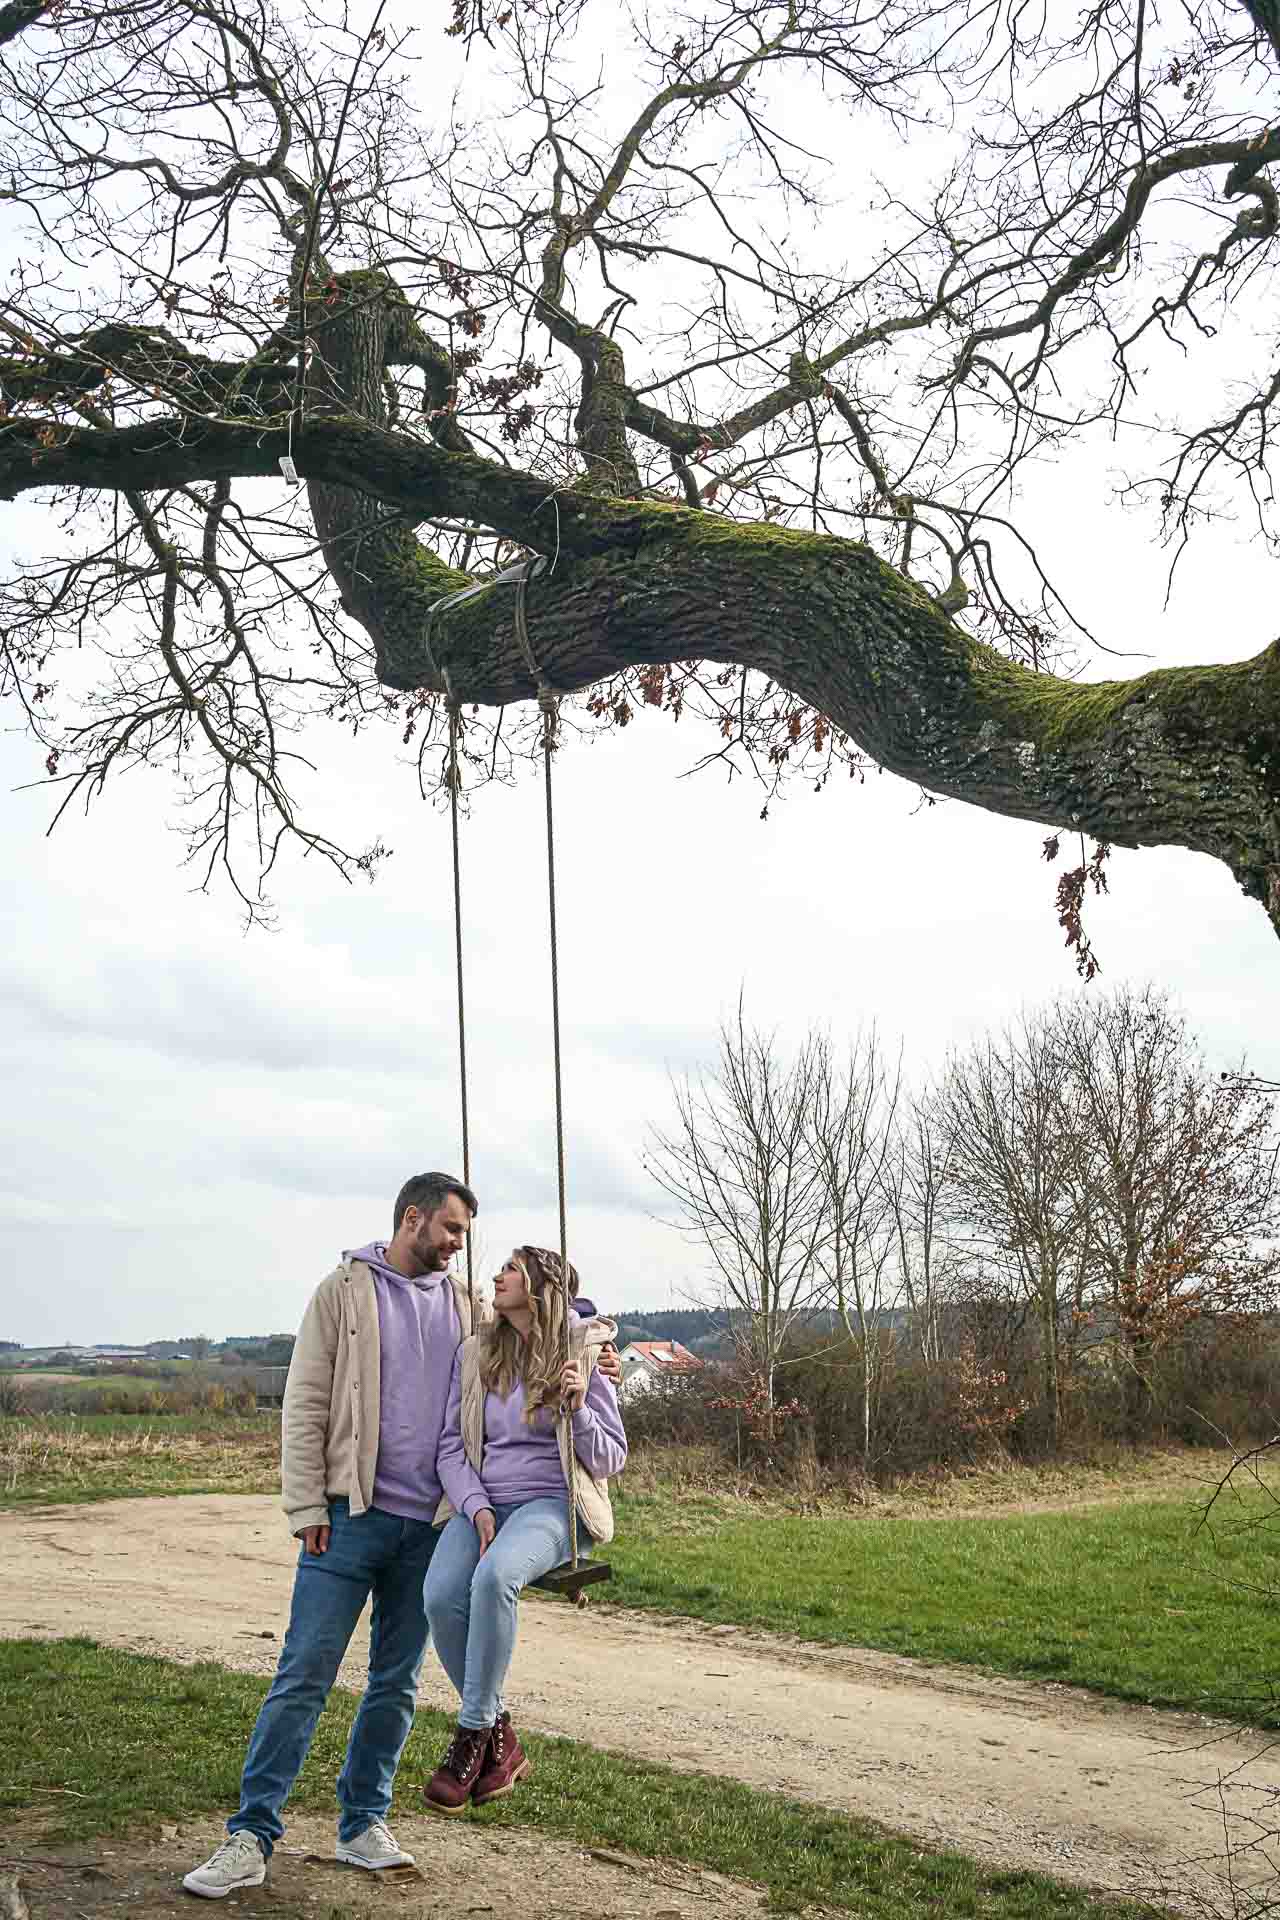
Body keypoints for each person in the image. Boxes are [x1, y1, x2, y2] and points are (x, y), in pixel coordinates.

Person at [183, 1176, 622, 1898]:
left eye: (467, 1237)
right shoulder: (344, 1292)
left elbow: (554, 1309)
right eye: (450, 1230)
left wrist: (600, 1352)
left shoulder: (464, 1302)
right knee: (303, 1676)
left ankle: (362, 1823)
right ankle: (250, 1835)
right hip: (349, 1516)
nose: (459, 1246)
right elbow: (305, 1403)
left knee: (396, 1685)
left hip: (430, 1524)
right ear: (412, 1218)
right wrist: (306, 1508)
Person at [420, 1245, 627, 1814]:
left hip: (552, 1507)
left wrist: (580, 1409)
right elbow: (450, 1448)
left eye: (510, 1269)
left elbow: (611, 1459)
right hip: (485, 1503)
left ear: (539, 1286)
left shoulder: (579, 1357)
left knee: (494, 1580)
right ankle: (501, 1738)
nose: (496, 1276)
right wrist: (476, 1506)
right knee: (439, 1597)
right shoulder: (477, 1355)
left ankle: (470, 1736)